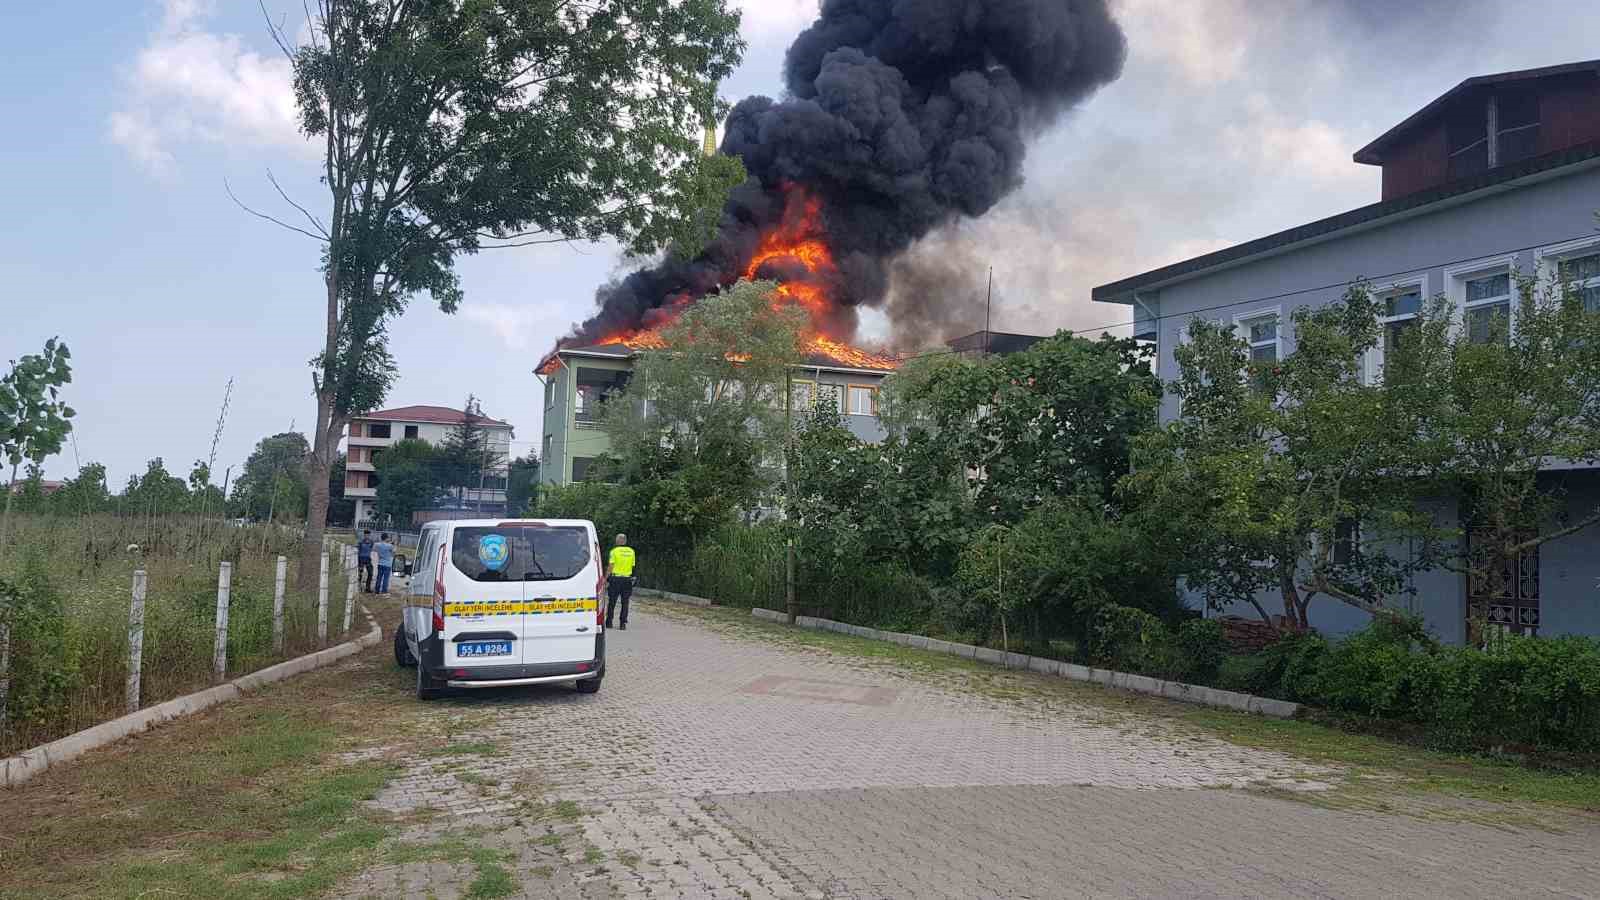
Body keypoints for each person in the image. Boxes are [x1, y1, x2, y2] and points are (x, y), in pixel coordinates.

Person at [605, 533, 636, 630]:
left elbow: (611, 566)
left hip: (615, 579)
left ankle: (609, 622)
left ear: (617, 541)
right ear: (625, 541)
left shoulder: (614, 551)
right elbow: (633, 566)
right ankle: (623, 624)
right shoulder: (631, 551)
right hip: (627, 579)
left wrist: (605, 578)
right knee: (625, 602)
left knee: (612, 601)